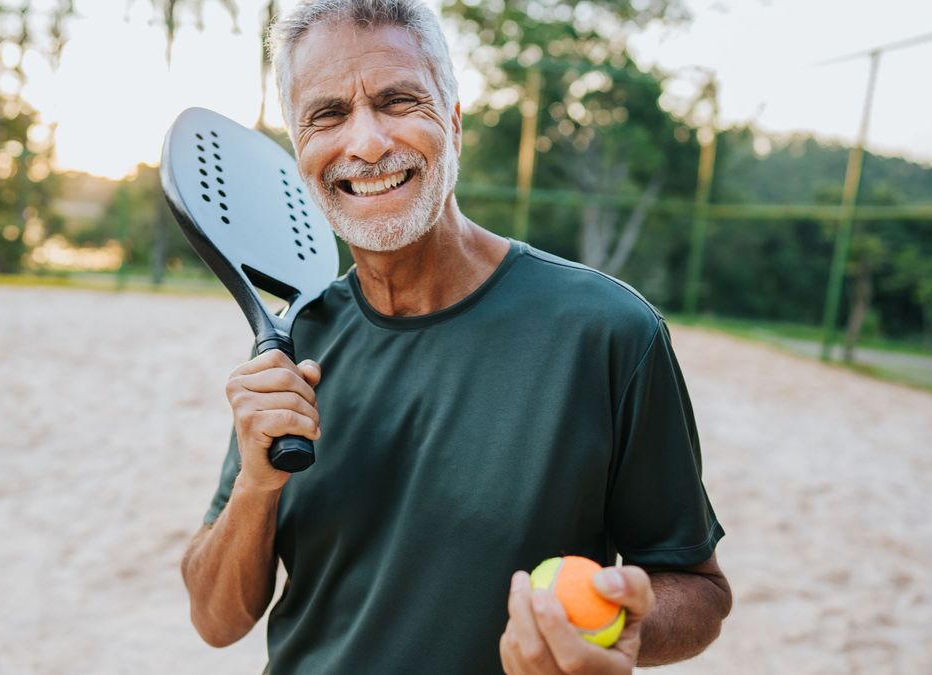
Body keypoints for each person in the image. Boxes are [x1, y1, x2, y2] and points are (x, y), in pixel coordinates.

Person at [180, 0, 732, 672]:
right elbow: (215, 619)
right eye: (327, 115)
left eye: (397, 101)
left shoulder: (608, 331)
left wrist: (625, 628)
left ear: (455, 122)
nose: (367, 143)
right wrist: (256, 488)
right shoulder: (298, 338)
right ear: (300, 148)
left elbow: (699, 588)